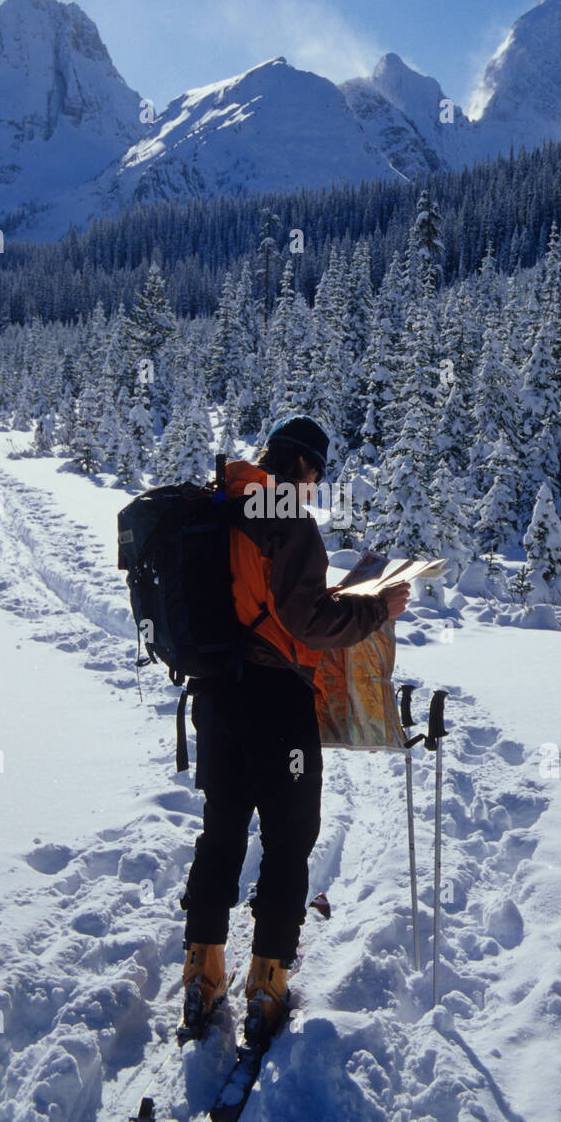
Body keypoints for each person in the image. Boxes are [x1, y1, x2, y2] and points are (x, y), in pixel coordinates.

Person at [180, 415, 410, 1044]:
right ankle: (269, 982)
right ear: (305, 467)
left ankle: (202, 974)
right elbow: (307, 623)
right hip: (275, 699)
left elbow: (259, 594)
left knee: (222, 830)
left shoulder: (226, 500)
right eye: (317, 474)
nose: (315, 486)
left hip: (216, 694)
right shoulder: (288, 518)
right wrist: (374, 608)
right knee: (289, 837)